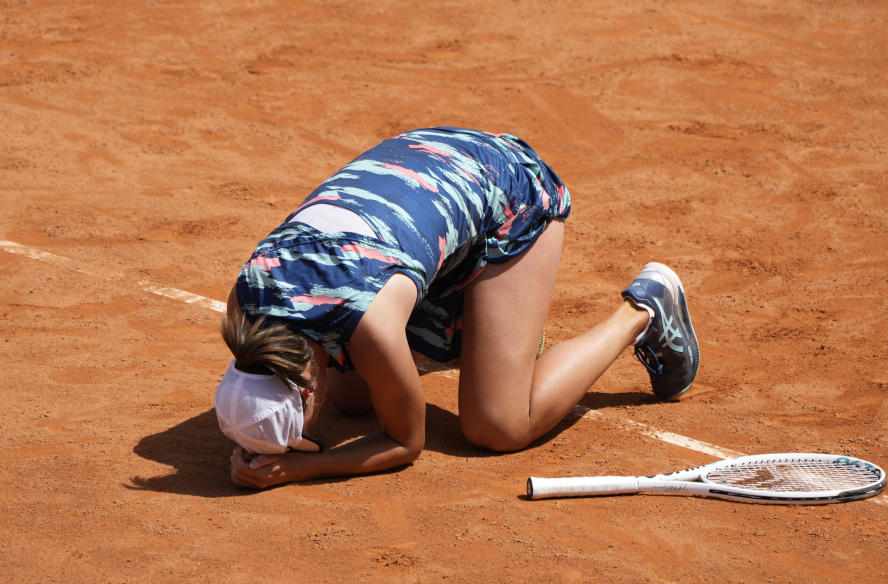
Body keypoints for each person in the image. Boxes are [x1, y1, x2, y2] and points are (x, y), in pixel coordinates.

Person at [214, 127, 699, 489]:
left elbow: (405, 444)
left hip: (507, 189)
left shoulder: (369, 324)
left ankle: (644, 310)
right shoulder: (244, 304)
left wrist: (304, 465)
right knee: (353, 402)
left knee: (497, 426)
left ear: (304, 389)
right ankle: (483, 338)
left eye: (301, 422)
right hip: (421, 164)